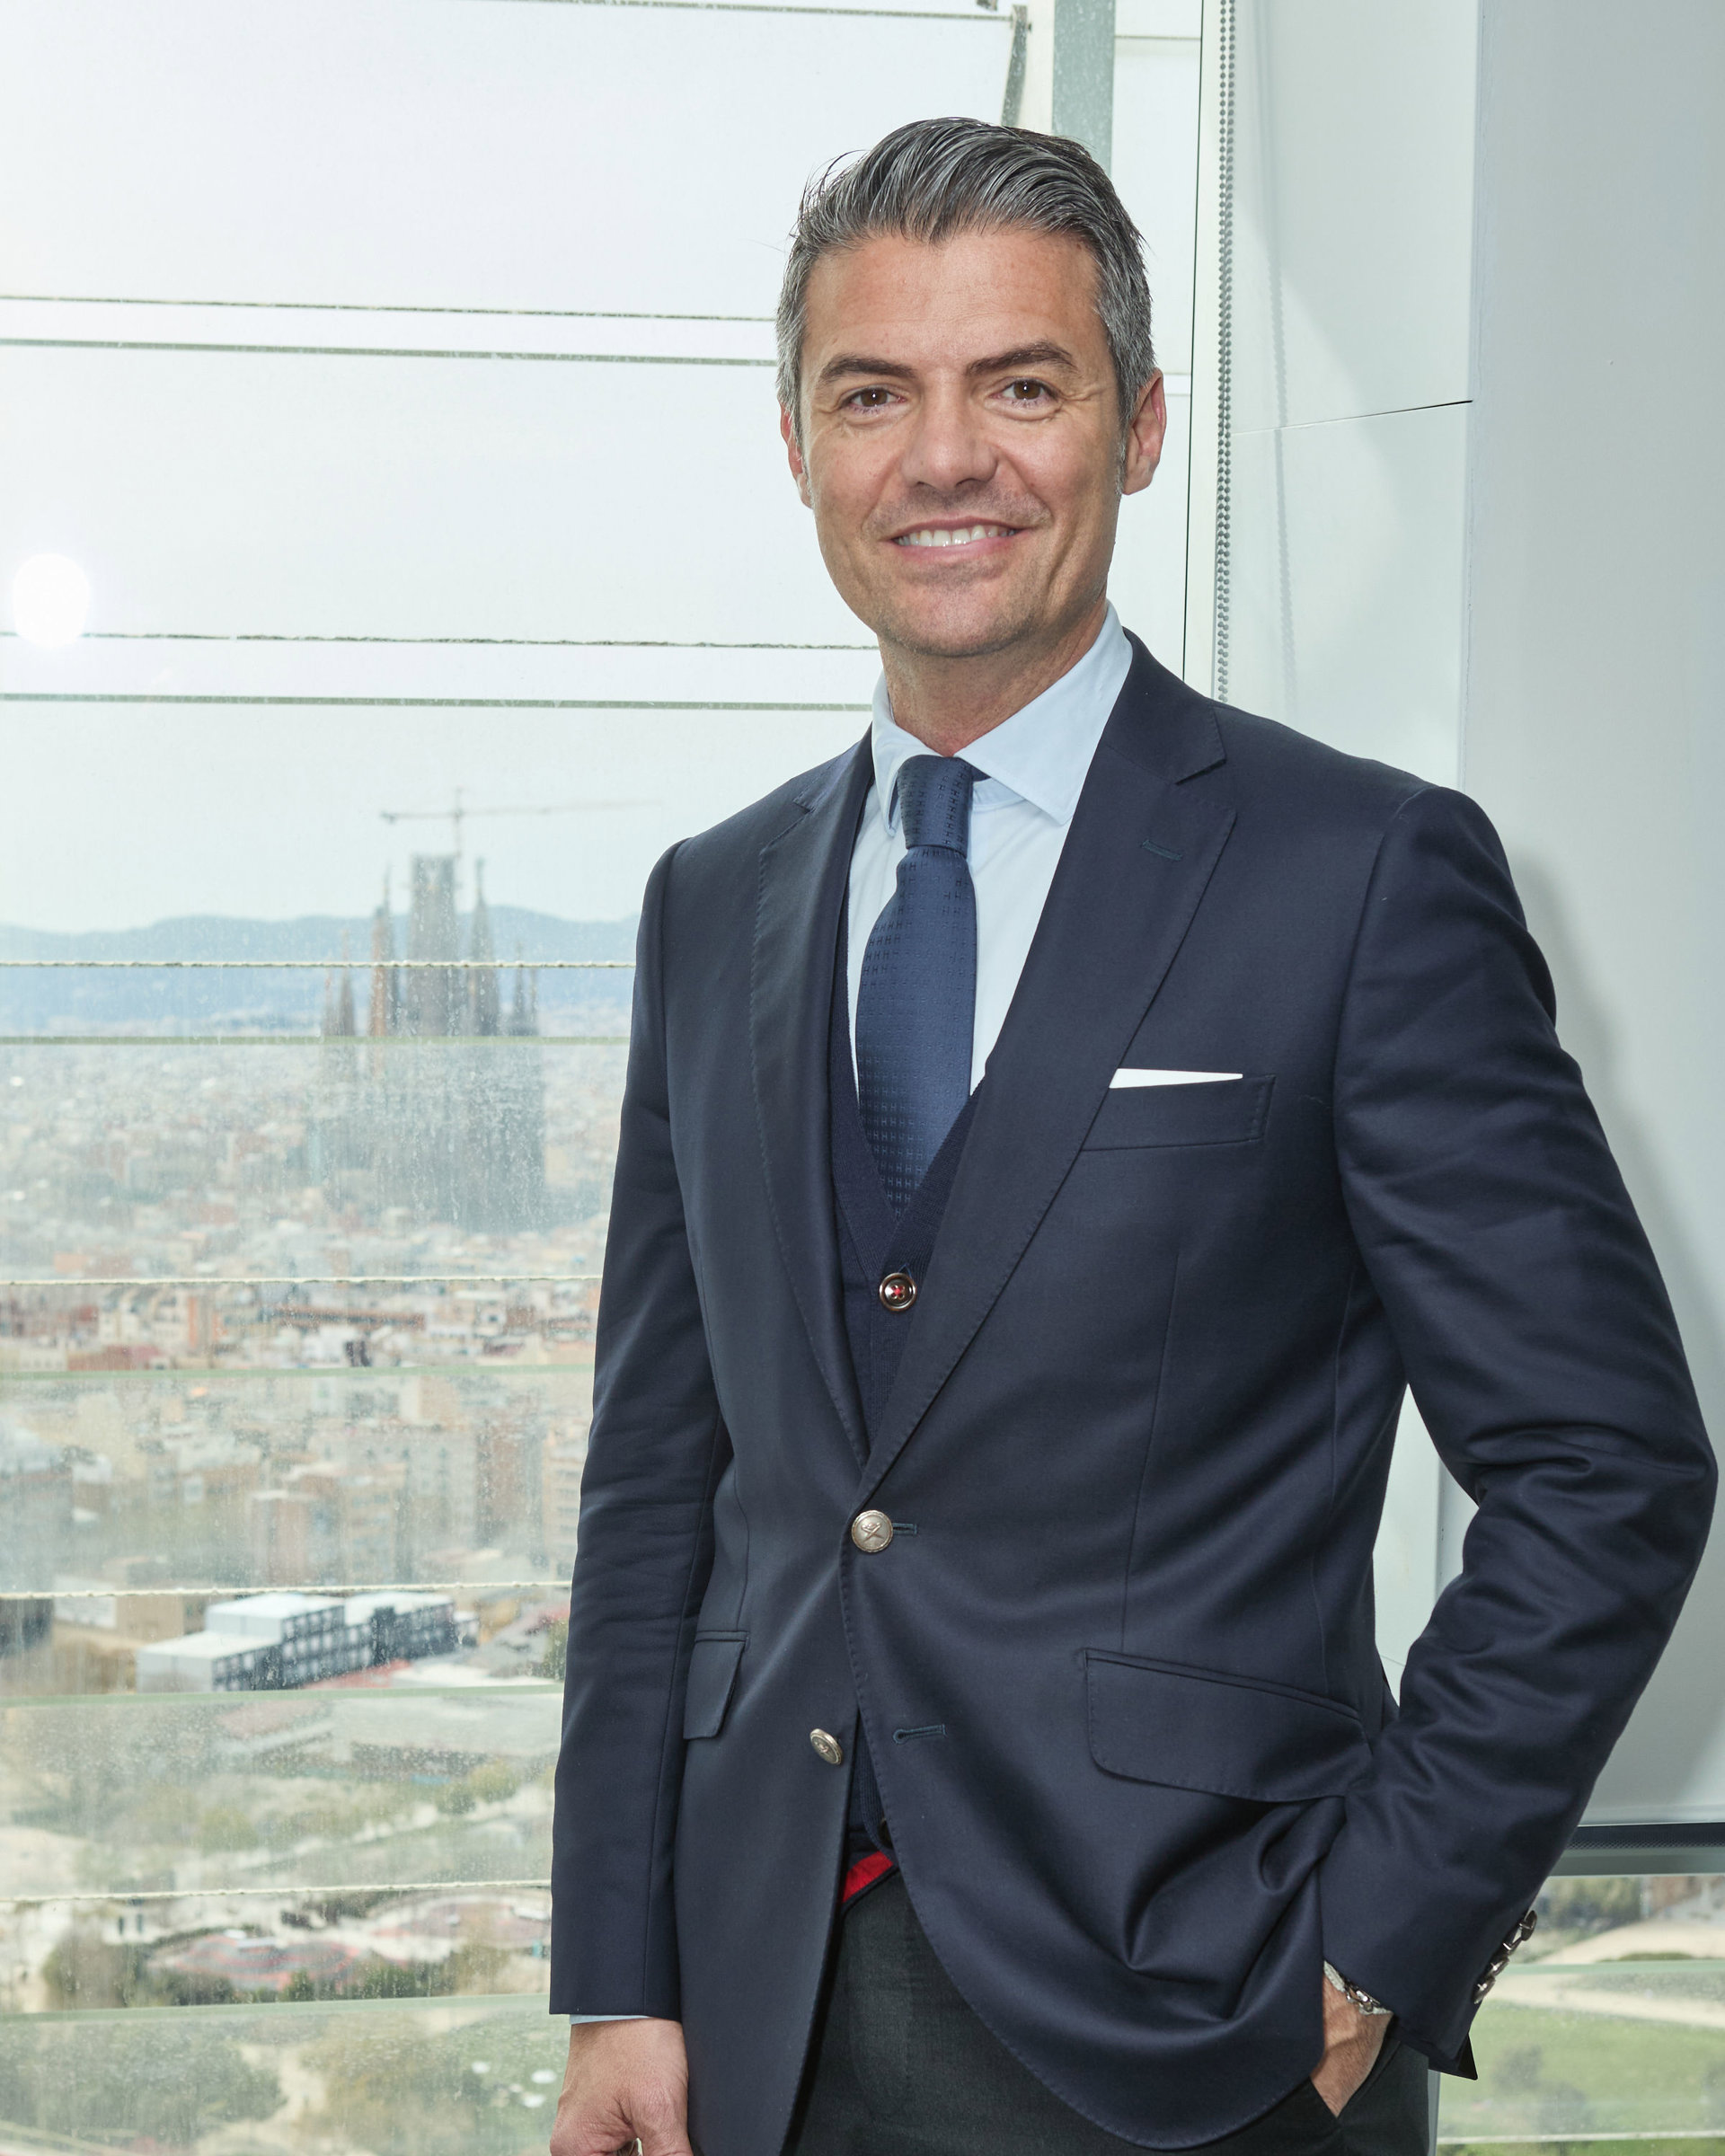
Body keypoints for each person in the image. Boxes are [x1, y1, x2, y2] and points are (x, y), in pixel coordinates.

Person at [547, 118, 1712, 2156]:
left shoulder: (1360, 876)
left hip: (1207, 2017)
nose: (945, 458)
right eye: (873, 395)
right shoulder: (710, 904)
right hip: (751, 2021)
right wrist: (621, 1979)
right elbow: (660, 1489)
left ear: (1143, 426)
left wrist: (1372, 1944)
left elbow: (1605, 1465)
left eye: (1023, 385)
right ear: (799, 447)